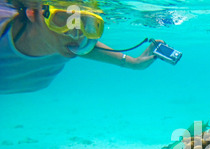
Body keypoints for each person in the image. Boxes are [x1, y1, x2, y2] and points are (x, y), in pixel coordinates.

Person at [0, 0, 165, 94]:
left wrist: (133, 62)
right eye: (63, 19)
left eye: (89, 24)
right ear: (33, 13)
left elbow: (86, 47)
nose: (77, 34)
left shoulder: (67, 43)